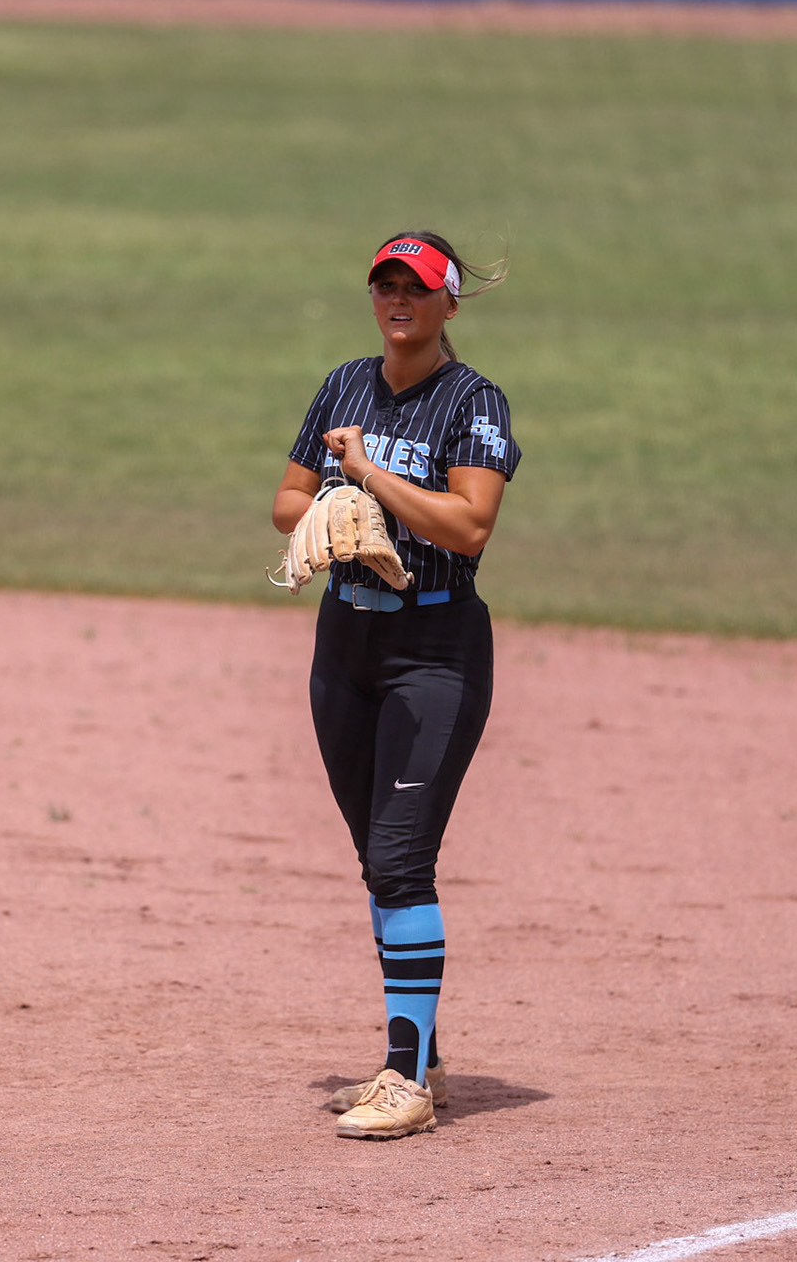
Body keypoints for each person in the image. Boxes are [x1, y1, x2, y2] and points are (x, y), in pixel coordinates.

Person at [270, 231, 518, 1140]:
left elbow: (470, 524)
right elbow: (287, 502)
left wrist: (369, 477)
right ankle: (425, 1058)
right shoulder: (343, 384)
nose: (396, 301)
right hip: (345, 649)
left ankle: (405, 1081)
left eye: (414, 287)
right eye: (383, 286)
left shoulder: (472, 401)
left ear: (450, 302)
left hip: (436, 652)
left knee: (404, 860)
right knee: (379, 859)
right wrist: (337, 506)